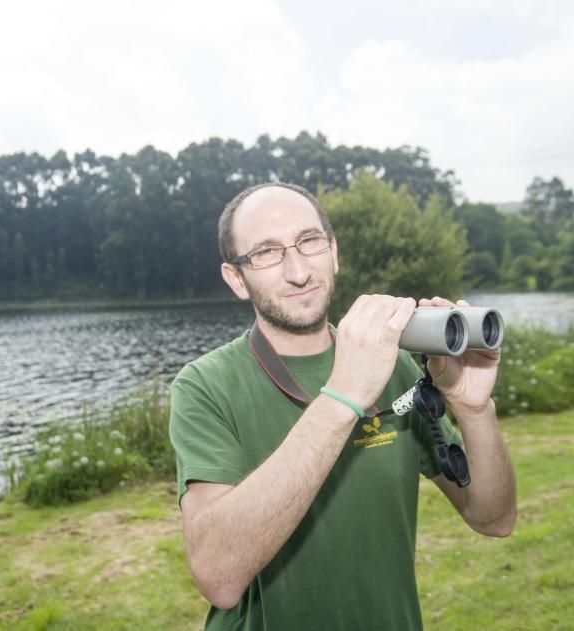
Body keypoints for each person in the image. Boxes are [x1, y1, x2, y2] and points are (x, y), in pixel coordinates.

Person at [169, 182, 516, 629]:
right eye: (266, 253)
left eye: (309, 241)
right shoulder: (205, 385)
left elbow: (494, 519)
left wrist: (474, 410)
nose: (297, 271)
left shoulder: (395, 366)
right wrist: (344, 395)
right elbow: (218, 575)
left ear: (333, 251)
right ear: (237, 278)